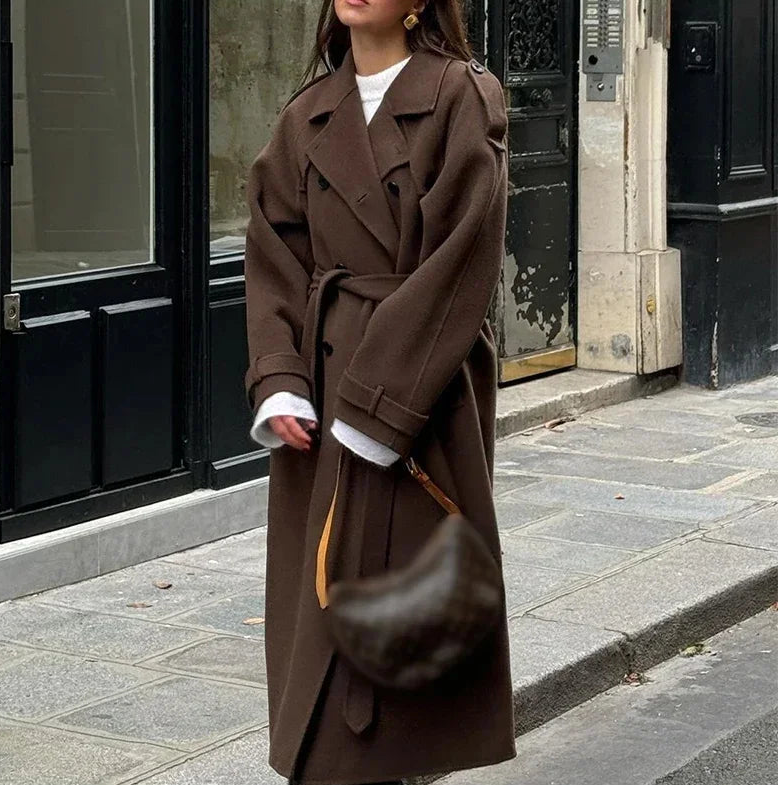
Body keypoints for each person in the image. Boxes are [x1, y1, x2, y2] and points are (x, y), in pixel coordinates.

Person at [244, 1, 516, 783]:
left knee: (391, 640)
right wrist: (281, 381)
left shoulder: (462, 96)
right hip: (321, 405)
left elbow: (463, 259)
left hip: (417, 397)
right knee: (324, 625)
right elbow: (273, 256)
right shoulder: (306, 115)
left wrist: (379, 406)